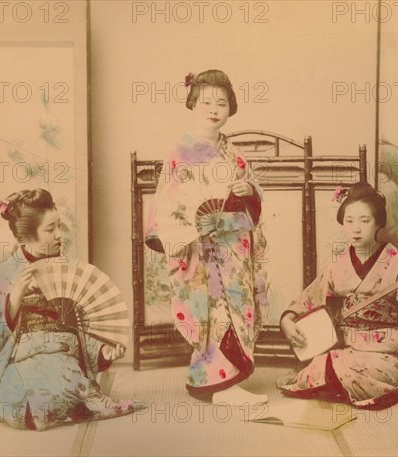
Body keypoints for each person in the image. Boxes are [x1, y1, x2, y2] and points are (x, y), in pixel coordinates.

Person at [0, 189, 143, 430]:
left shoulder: (67, 269)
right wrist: (13, 301)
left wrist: (103, 351)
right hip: (20, 360)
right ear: (27, 237)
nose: (58, 235)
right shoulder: (5, 275)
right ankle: (65, 406)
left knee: (62, 382)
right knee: (15, 403)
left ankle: (67, 400)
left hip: (61, 355)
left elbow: (82, 325)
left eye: (59, 226)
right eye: (50, 229)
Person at [145, 69, 270, 405]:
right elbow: (170, 202)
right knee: (212, 309)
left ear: (231, 108)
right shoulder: (180, 152)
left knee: (235, 308)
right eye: (206, 102)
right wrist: (191, 233)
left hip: (234, 247)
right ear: (193, 104)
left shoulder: (235, 155)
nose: (214, 108)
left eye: (222, 102)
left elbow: (253, 197)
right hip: (200, 248)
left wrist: (249, 191)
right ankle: (217, 386)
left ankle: (223, 382)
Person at [279, 182, 398, 409]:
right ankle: (338, 383)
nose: (356, 229)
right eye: (349, 221)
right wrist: (287, 319)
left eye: (364, 221)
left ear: (377, 223)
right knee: (319, 369)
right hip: (348, 348)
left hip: (384, 353)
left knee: (351, 374)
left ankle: (348, 384)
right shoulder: (337, 265)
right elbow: (310, 296)